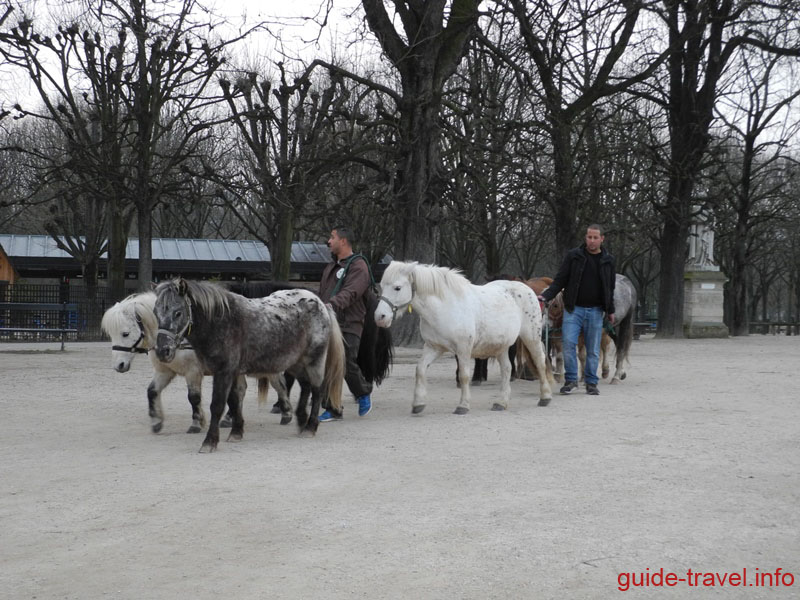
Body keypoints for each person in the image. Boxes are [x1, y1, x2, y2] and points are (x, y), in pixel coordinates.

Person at [538, 224, 616, 396]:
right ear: (585, 237)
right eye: (589, 237)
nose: (592, 241)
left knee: (593, 348)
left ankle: (591, 382)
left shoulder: (608, 260)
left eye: (596, 237)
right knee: (568, 344)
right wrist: (546, 296)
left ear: (602, 239)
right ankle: (571, 380)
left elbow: (609, 287)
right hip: (574, 309)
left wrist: (610, 310)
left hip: (596, 311)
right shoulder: (574, 256)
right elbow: (560, 280)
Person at [318, 226, 374, 421]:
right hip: (328, 322)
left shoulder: (359, 266)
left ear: (343, 241)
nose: (328, 241)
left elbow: (351, 293)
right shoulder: (330, 267)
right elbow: (323, 294)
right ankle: (333, 408)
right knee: (327, 364)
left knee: (346, 362)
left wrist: (329, 305)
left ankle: (363, 392)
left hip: (350, 323)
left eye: (332, 237)